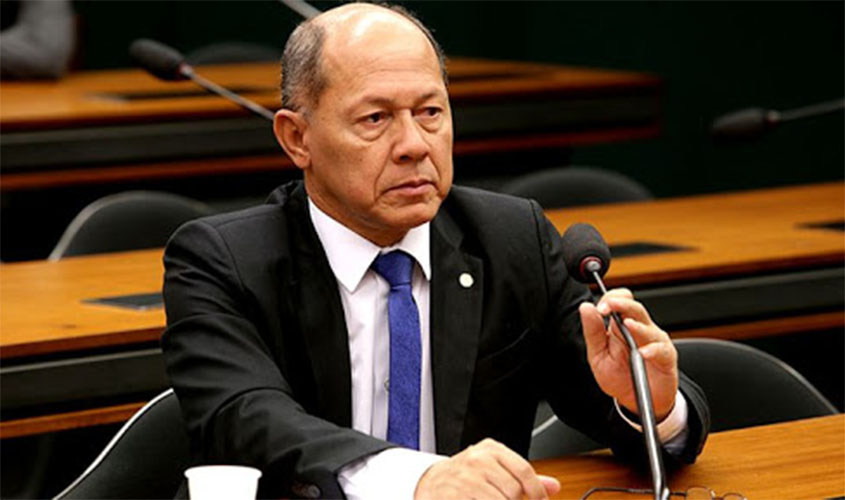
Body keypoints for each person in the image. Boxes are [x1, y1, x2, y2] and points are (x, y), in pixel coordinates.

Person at [161, 3, 709, 499]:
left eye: (430, 112)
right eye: (375, 119)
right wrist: (417, 478)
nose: (414, 145)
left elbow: (630, 425)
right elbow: (246, 418)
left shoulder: (511, 239)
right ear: (297, 139)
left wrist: (649, 402)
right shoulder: (221, 261)